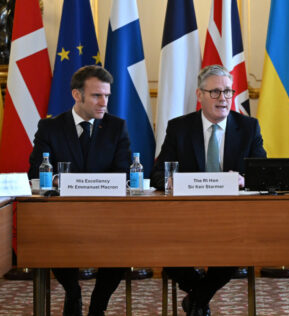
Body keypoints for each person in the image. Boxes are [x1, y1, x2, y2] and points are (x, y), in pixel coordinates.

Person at [151, 64, 266, 316]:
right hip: (185, 217)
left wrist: (244, 180)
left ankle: (198, 300)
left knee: (236, 250)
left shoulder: (248, 128)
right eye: (215, 92)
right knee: (165, 251)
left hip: (232, 218)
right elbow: (158, 174)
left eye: (227, 92)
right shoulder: (179, 128)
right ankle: (200, 295)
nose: (223, 98)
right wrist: (170, 181)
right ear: (199, 95)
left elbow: (263, 175)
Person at [28, 65, 132, 316]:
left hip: (107, 214)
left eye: (107, 95)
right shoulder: (50, 127)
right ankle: (72, 292)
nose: (104, 102)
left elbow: (125, 172)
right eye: (97, 95)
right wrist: (55, 180)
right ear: (77, 95)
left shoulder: (116, 127)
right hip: (63, 215)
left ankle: (98, 304)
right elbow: (35, 172)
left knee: (127, 244)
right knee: (50, 239)